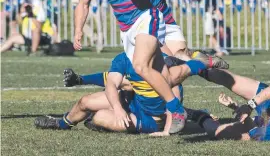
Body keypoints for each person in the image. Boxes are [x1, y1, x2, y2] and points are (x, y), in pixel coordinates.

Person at [76, 0, 188, 133]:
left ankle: (176, 109)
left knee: (140, 66)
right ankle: (177, 112)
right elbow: (83, 3)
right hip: (127, 29)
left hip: (147, 17)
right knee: (159, 70)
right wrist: (78, 31)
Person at [34, 52, 215, 134]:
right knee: (85, 102)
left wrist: (166, 131)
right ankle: (62, 123)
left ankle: (196, 116)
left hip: (151, 119)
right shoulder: (126, 57)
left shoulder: (169, 75)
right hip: (134, 102)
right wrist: (119, 109)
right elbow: (111, 81)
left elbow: (173, 107)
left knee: (98, 118)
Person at [187, 68, 270, 141]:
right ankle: (193, 65)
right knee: (229, 80)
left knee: (216, 132)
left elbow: (250, 129)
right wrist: (249, 106)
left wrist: (236, 109)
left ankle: (194, 114)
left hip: (264, 118)